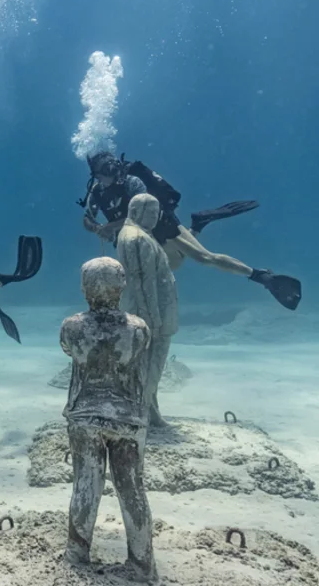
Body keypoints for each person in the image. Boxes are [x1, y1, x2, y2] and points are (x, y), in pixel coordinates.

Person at [80, 151, 301, 310]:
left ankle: (261, 276)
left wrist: (110, 226)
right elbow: (87, 219)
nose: (106, 175)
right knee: (172, 265)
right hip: (135, 239)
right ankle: (197, 225)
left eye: (108, 170)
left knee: (204, 258)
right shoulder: (97, 192)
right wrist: (97, 228)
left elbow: (143, 212)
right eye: (102, 172)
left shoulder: (132, 183)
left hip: (163, 227)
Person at [60, 256, 157, 582]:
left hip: (85, 416)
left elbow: (70, 351)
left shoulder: (72, 327)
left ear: (84, 288)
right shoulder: (138, 328)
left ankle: (77, 557)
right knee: (132, 489)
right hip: (129, 418)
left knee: (86, 486)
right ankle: (142, 564)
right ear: (121, 286)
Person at [117, 194, 179, 429]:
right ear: (135, 212)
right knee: (151, 365)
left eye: (157, 213)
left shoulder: (137, 235)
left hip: (152, 312)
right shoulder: (137, 238)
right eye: (151, 213)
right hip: (153, 314)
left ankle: (150, 410)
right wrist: (151, 319)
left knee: (148, 365)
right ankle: (142, 413)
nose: (156, 217)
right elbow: (143, 282)